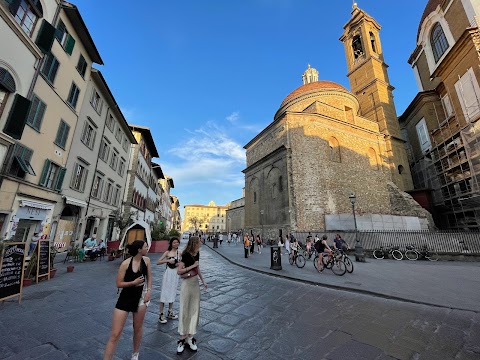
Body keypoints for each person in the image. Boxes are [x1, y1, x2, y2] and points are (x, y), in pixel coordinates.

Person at [104, 240, 152, 360]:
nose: (148, 248)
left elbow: (150, 278)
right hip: (125, 298)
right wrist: (133, 282)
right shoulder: (125, 264)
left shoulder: (147, 261)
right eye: (146, 246)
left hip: (141, 298)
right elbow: (118, 283)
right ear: (139, 250)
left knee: (138, 328)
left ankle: (135, 354)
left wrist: (149, 291)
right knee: (115, 334)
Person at [176, 236, 208, 354]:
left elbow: (197, 267)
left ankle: (190, 336)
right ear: (194, 243)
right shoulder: (185, 255)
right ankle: (182, 338)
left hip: (195, 284)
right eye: (199, 242)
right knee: (185, 309)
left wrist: (203, 281)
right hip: (187, 284)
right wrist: (191, 268)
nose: (201, 243)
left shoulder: (197, 253)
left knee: (195, 309)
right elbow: (179, 271)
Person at [157, 237, 180, 324]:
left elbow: (181, 263)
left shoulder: (179, 253)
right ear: (171, 244)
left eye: (177, 242)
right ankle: (161, 313)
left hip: (175, 274)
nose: (176, 244)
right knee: (164, 292)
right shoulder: (167, 252)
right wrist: (167, 260)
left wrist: (178, 263)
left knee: (173, 292)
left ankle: (170, 311)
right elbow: (158, 262)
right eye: (174, 242)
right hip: (168, 273)